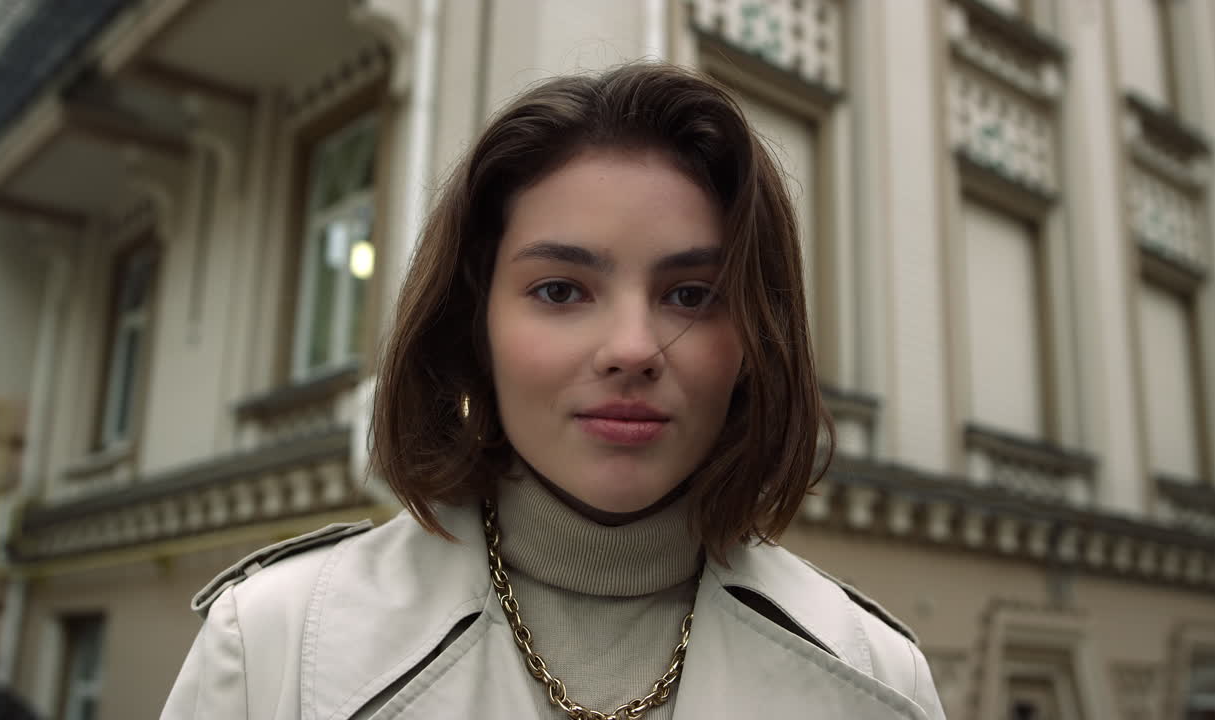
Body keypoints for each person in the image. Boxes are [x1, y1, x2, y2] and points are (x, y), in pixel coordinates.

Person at [160, 62, 946, 719]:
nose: (632, 349)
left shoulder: (879, 678)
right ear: (476, 323)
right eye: (561, 290)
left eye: (691, 295)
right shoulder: (270, 650)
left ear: (753, 341)